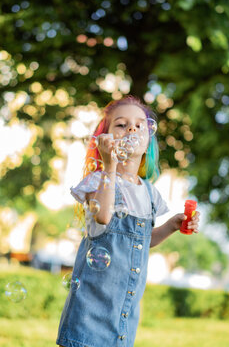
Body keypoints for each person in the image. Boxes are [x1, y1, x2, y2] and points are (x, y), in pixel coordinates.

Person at [56, 95, 200, 347]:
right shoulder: (97, 182)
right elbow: (103, 216)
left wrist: (171, 226)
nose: (131, 128)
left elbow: (141, 241)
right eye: (121, 125)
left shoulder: (149, 192)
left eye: (139, 125)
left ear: (147, 144)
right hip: (89, 317)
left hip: (123, 318)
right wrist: (109, 166)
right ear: (105, 140)